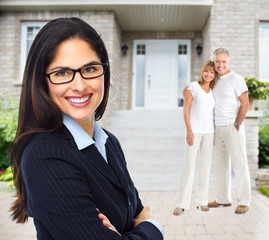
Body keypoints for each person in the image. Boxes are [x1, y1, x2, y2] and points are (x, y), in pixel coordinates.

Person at [10, 17, 164, 239]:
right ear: (43, 82)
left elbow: (136, 209)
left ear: (104, 71)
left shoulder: (108, 142)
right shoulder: (45, 155)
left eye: (90, 69)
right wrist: (153, 227)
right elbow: (142, 217)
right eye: (61, 73)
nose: (80, 85)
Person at [183, 48, 251, 214]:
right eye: (217, 61)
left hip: (233, 127)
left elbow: (245, 103)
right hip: (217, 128)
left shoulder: (236, 79)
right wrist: (186, 91)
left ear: (228, 62)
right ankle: (223, 199)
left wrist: (237, 124)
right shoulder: (214, 81)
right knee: (221, 165)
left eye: (223, 62)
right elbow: (201, 93)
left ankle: (244, 200)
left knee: (239, 163)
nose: (220, 65)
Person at [173, 60, 218, 216]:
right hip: (195, 132)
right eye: (206, 71)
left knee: (205, 168)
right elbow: (186, 110)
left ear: (215, 75)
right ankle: (181, 204)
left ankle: (202, 202)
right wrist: (189, 130)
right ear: (202, 72)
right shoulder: (192, 87)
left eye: (212, 72)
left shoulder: (214, 91)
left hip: (209, 132)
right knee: (189, 167)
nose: (208, 74)